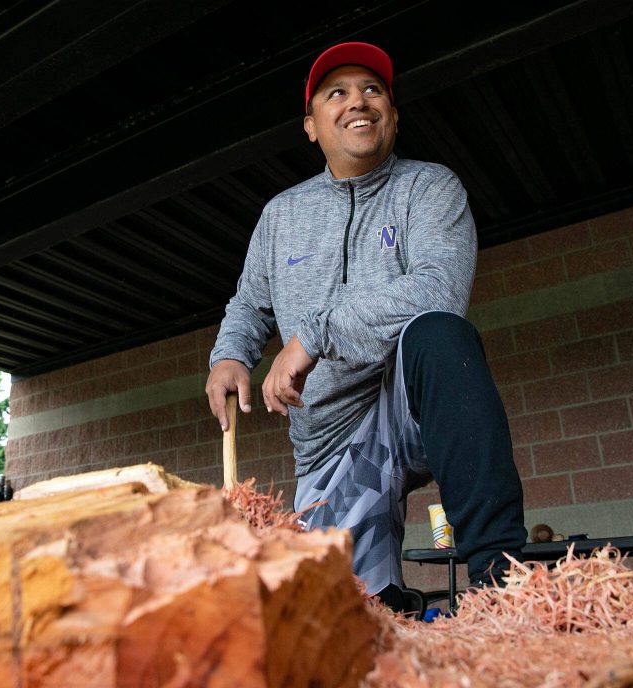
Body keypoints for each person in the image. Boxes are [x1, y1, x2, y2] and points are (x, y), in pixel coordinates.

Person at [204, 41, 526, 612]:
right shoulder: (282, 215)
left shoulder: (429, 187)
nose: (360, 101)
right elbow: (250, 305)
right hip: (329, 440)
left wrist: (315, 333)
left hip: (410, 402)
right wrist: (229, 355)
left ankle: (505, 586)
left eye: (374, 90)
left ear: (394, 117)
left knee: (440, 334)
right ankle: (397, 600)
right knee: (352, 613)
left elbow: (438, 290)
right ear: (311, 126)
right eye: (339, 92)